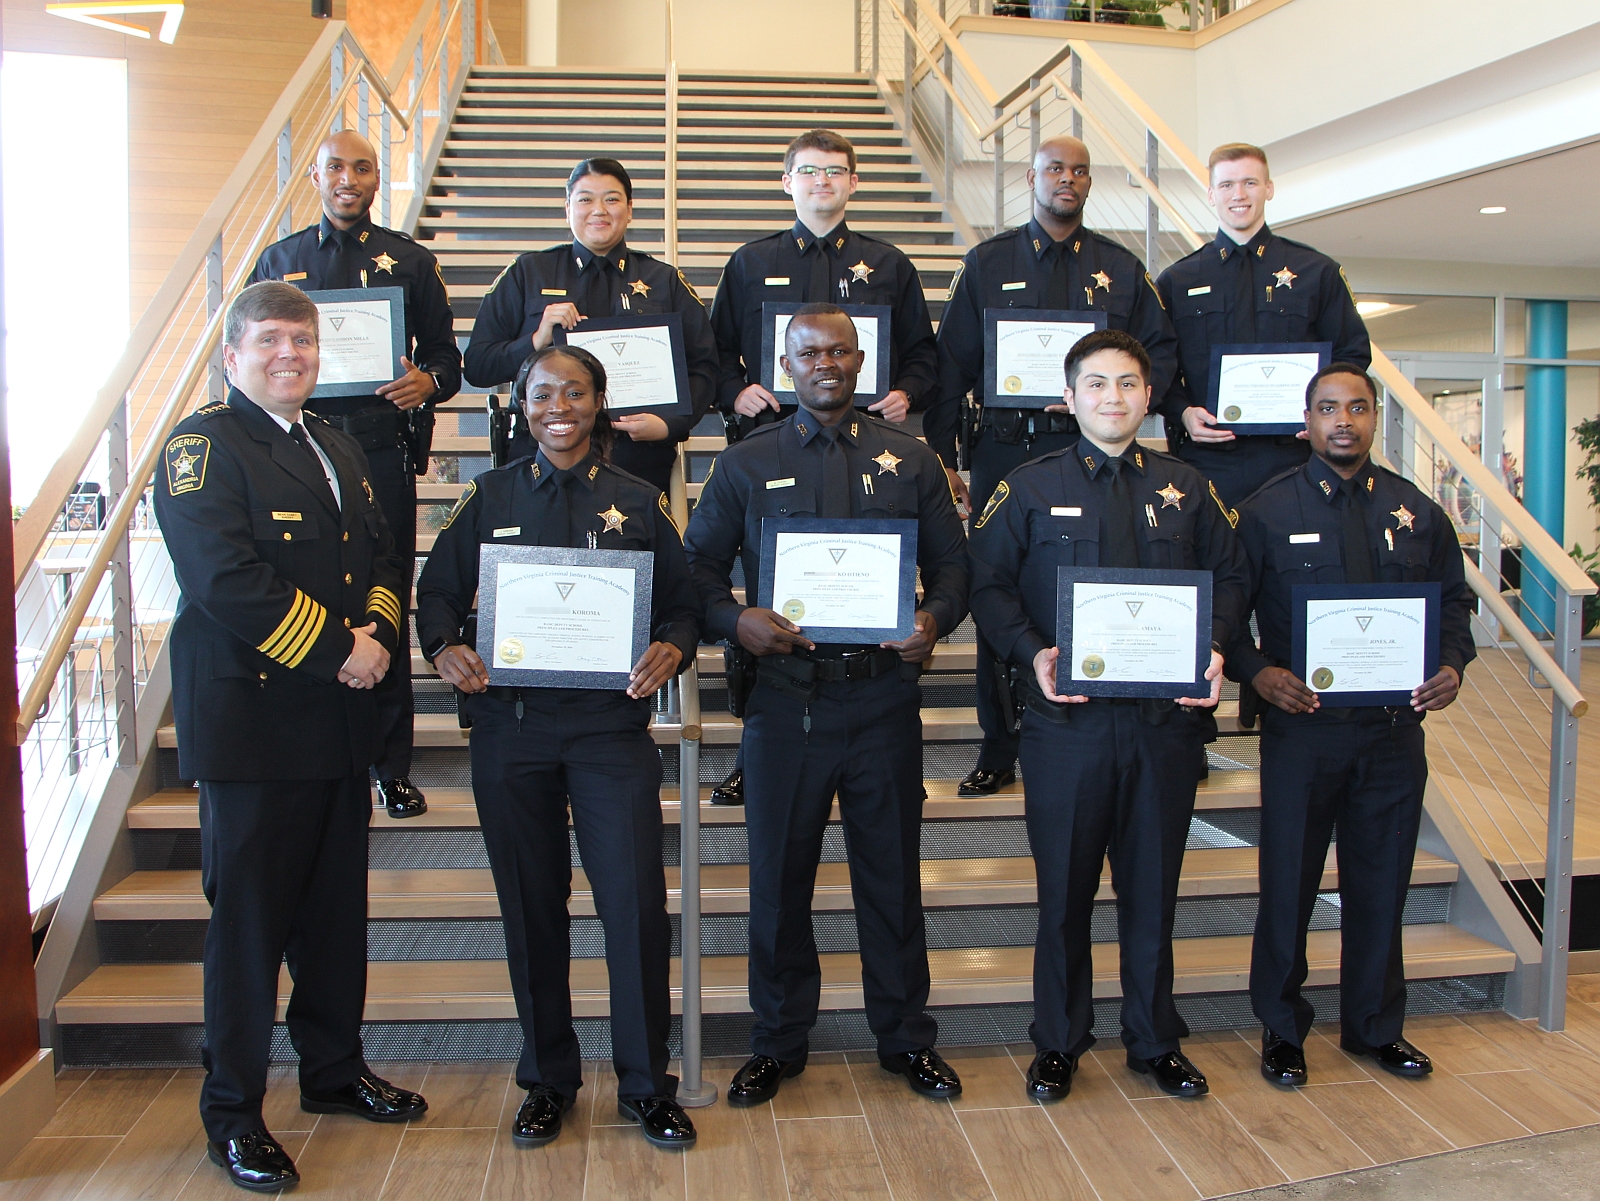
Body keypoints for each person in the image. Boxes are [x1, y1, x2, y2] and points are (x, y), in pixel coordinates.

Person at [155, 281, 427, 1193]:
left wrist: (381, 638)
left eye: (303, 343)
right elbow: (221, 578)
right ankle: (232, 1111)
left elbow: (386, 557)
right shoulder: (202, 446)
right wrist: (338, 649)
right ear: (230, 355)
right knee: (249, 930)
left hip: (336, 724)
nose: (289, 356)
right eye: (270, 341)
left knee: (331, 920)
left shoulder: (339, 445)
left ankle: (333, 1070)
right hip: (255, 725)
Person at [415, 344, 702, 1149]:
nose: (559, 406)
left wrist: (674, 648)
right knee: (532, 908)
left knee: (635, 906)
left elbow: (684, 606)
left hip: (610, 731)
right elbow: (434, 594)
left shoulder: (640, 502)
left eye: (575, 391)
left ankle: (647, 1083)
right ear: (521, 403)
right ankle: (548, 1079)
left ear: (599, 401)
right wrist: (444, 648)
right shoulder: (487, 496)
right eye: (543, 393)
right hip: (511, 730)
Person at [684, 304, 970, 1106]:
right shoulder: (745, 463)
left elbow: (955, 570)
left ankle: (906, 1038)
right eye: (810, 351)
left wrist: (934, 620)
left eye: (841, 350)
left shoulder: (911, 460)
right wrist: (735, 618)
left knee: (892, 877)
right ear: (787, 361)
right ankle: (777, 1041)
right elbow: (695, 570)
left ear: (860, 357)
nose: (827, 363)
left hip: (882, 699)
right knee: (779, 881)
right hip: (784, 703)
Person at [968, 328, 1249, 1103]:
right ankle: (1058, 1041)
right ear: (1068, 397)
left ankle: (1155, 1038)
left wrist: (1218, 646)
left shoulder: (1189, 487)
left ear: (1149, 396)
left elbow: (1231, 577)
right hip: (1069, 725)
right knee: (1063, 893)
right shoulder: (1025, 487)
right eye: (1095, 385)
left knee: (1152, 890)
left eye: (1127, 384)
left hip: (1164, 723)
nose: (1112, 398)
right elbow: (987, 586)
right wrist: (1034, 654)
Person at [1227, 364, 1473, 1087]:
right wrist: (1257, 672)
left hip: (1394, 734)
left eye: (1358, 408)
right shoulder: (1265, 510)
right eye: (1329, 408)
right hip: (1305, 732)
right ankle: (1280, 1027)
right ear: (1306, 421)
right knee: (1289, 883)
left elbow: (1453, 606)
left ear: (1375, 419)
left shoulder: (1417, 511)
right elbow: (1226, 615)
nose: (1344, 420)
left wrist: (1453, 664)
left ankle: (1374, 1026)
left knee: (1381, 883)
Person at [927, 134, 1179, 799]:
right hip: (1008, 449)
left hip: (1102, 451)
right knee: (999, 589)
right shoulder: (987, 263)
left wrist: (1125, 404)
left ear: (1090, 183)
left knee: (1111, 574)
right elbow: (950, 366)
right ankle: (998, 744)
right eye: (1054, 169)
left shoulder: (1121, 268)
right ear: (1031, 178)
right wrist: (946, 459)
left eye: (1079, 171)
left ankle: (1131, 714)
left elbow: (1162, 353)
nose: (1067, 179)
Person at [706, 127, 939, 805]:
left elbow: (925, 354)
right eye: (808, 171)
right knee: (767, 581)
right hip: (772, 447)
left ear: (854, 182)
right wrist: (733, 390)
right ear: (788, 182)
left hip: (871, 449)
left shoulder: (889, 264)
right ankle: (761, 747)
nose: (822, 182)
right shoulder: (750, 262)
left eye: (835, 171)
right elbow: (714, 350)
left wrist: (908, 393)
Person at [249, 128, 462, 820]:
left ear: (377, 179)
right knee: (302, 591)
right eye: (335, 166)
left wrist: (423, 383)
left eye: (362, 168)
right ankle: (307, 750)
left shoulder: (407, 259)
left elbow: (448, 362)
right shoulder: (281, 260)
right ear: (315, 174)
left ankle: (387, 765)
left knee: (383, 596)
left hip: (376, 455)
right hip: (290, 455)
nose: (348, 178)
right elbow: (254, 358)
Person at [463, 156, 718, 494]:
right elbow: (478, 366)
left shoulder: (664, 280)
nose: (599, 209)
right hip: (544, 456)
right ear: (567, 207)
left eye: (611, 199)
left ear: (629, 209)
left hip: (635, 457)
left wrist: (670, 424)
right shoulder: (528, 273)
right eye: (585, 199)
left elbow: (705, 367)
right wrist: (537, 339)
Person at [1157, 143, 1370, 509]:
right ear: (1211, 194)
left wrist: (1325, 413)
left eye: (1250, 183)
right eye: (1226, 185)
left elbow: (1351, 355)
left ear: (1268, 188)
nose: (1238, 195)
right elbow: (1157, 363)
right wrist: (1183, 412)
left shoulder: (1316, 272)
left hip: (1295, 457)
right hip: (1208, 460)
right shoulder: (1177, 280)